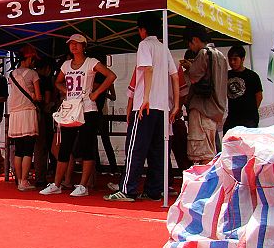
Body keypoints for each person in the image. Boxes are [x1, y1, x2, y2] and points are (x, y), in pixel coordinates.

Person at [104, 12, 179, 202]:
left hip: (146, 105)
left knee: (135, 148)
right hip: (162, 107)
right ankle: (154, 190)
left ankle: (128, 189)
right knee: (157, 150)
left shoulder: (145, 45)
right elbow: (175, 76)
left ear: (142, 30)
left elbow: (148, 69)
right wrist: (176, 104)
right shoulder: (163, 48)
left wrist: (145, 97)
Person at [39, 34, 116, 198]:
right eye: (71, 44)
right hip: (71, 109)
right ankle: (57, 184)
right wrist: (67, 91)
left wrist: (96, 93)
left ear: (84, 46)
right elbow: (57, 81)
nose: (73, 46)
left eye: (77, 43)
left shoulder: (91, 62)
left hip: (88, 109)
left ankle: (83, 185)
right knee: (64, 147)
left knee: (87, 147)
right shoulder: (66, 65)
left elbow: (111, 76)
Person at [179, 23, 228, 165]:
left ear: (194, 39)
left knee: (203, 154)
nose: (190, 48)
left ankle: (205, 179)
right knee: (210, 151)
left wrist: (190, 66)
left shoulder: (204, 54)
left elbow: (194, 76)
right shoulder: (220, 56)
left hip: (202, 109)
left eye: (189, 44)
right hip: (215, 110)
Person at [7, 45, 42, 191]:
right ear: (29, 58)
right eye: (33, 59)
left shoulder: (11, 74)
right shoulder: (33, 74)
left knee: (19, 149)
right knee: (28, 149)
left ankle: (19, 180)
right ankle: (24, 181)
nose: (34, 62)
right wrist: (34, 96)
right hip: (27, 113)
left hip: (15, 114)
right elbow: (38, 97)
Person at [223, 44, 263, 134]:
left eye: (235, 59)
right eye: (230, 59)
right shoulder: (226, 75)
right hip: (232, 117)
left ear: (242, 59)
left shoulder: (252, 76)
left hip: (249, 119)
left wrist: (251, 111)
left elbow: (259, 96)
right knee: (227, 138)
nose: (232, 62)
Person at [33, 56, 57, 189]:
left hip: (29, 115)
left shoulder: (30, 77)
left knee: (28, 148)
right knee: (43, 146)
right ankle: (41, 177)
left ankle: (25, 176)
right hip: (43, 116)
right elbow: (47, 100)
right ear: (47, 68)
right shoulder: (45, 80)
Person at [93, 60, 120, 176]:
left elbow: (113, 97)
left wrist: (103, 92)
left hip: (102, 111)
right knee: (98, 140)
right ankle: (100, 166)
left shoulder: (106, 79)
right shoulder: (96, 77)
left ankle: (112, 167)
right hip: (97, 110)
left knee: (104, 140)